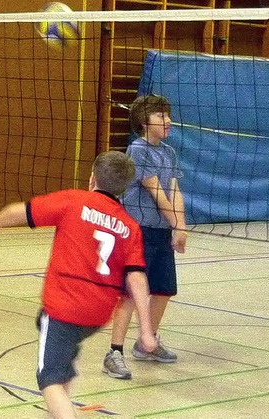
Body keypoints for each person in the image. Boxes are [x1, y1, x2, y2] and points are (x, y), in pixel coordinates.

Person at [0, 151, 157, 419]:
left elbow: (22, 211)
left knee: (48, 378)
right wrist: (146, 331)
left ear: (92, 178)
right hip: (97, 314)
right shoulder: (129, 226)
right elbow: (137, 279)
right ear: (124, 188)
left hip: (65, 306)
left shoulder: (75, 202)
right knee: (60, 358)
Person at [102, 94, 187, 380]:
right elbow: (157, 192)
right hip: (138, 231)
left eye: (168, 115)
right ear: (143, 121)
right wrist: (176, 223)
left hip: (161, 231)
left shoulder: (169, 152)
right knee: (130, 293)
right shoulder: (137, 150)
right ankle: (114, 352)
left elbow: (174, 191)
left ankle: (146, 343)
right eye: (161, 116)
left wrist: (180, 226)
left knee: (164, 289)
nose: (168, 121)